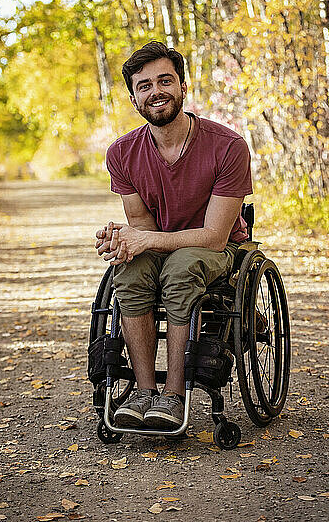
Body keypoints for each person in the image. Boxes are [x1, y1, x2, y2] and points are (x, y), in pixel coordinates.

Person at [95, 41, 252, 430]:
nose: (156, 91)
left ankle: (173, 397)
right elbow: (142, 227)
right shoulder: (121, 154)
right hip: (162, 244)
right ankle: (145, 392)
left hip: (217, 248)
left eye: (165, 81)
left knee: (181, 269)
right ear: (134, 97)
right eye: (144, 85)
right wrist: (123, 239)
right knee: (127, 271)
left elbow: (215, 236)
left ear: (183, 87)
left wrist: (146, 240)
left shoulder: (228, 146)